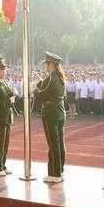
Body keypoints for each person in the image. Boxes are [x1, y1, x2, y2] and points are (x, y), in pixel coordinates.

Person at [36, 52, 67, 184]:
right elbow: (49, 91)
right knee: (59, 143)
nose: (46, 67)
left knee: (53, 144)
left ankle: (54, 174)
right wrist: (40, 85)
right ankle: (59, 170)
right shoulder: (60, 78)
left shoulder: (50, 78)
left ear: (52, 64)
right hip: (59, 113)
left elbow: (41, 96)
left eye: (47, 64)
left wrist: (36, 90)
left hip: (50, 114)